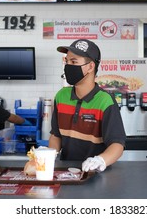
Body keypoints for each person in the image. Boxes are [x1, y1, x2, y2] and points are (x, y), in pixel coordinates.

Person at [49, 39, 126, 172]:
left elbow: (117, 144)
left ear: (90, 67)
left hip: (96, 174)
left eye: (73, 62)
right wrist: (48, 155)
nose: (68, 66)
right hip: (65, 172)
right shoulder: (61, 96)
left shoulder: (105, 101)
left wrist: (100, 160)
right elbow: (56, 135)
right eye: (66, 61)